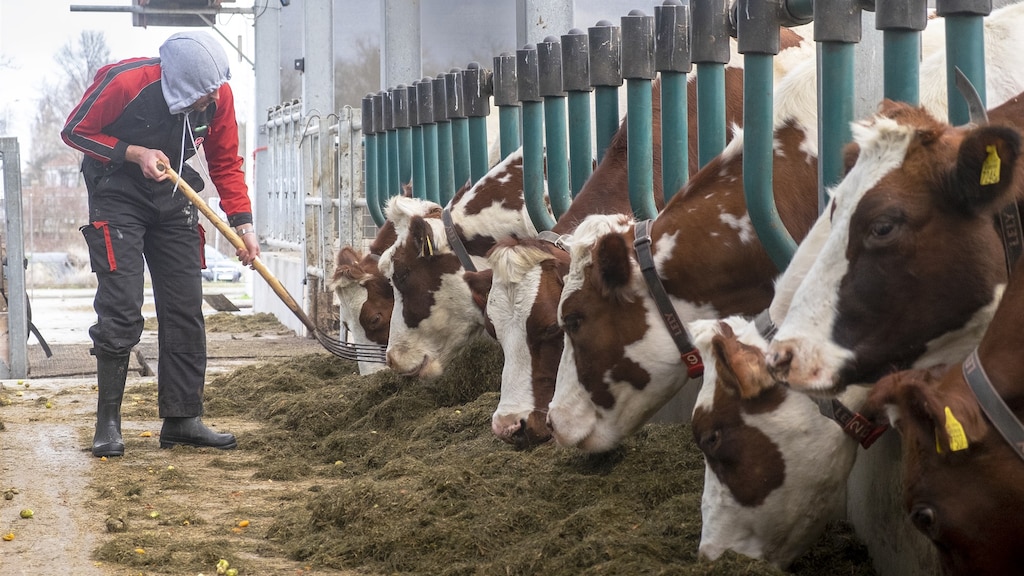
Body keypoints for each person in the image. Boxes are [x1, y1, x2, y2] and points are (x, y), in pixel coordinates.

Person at [61, 31, 259, 457]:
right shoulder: (126, 82)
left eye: (214, 93)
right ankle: (108, 424)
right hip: (116, 191)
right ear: (181, 82)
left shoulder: (218, 97)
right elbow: (75, 131)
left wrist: (244, 225)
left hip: (172, 190)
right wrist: (134, 152)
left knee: (186, 306)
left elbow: (225, 162)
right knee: (122, 305)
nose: (211, 101)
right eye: (203, 96)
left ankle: (182, 418)